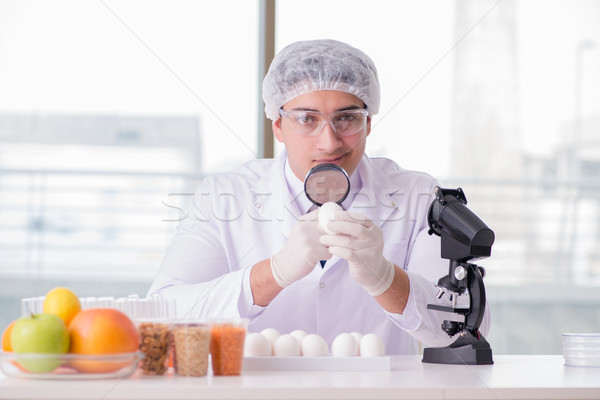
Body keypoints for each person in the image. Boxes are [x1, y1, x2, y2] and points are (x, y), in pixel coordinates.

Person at [148, 39, 489, 354]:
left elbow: (465, 330)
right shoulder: (224, 197)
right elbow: (164, 315)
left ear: (369, 122)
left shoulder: (417, 196)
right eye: (307, 119)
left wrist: (385, 278)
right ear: (277, 126)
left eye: (347, 119)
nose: (329, 142)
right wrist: (273, 273)